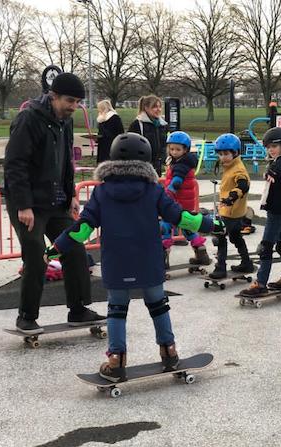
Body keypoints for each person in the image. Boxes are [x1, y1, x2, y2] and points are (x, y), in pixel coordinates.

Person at [44, 132, 224, 382]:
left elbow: (82, 228)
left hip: (117, 261)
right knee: (158, 306)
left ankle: (116, 360)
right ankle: (169, 351)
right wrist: (209, 224)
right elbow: (179, 216)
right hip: (148, 259)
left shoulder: (102, 193)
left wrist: (56, 247)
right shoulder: (153, 190)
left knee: (117, 309)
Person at [3, 72, 105, 335]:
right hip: (28, 204)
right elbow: (15, 165)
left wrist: (71, 194)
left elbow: (66, 162)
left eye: (77, 102)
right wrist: (23, 205)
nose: (73, 106)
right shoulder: (29, 119)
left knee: (74, 248)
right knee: (36, 256)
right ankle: (26, 316)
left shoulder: (65, 122)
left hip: (56, 200)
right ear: (53, 96)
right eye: (69, 101)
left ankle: (79, 308)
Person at [240, 128, 281, 296]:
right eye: (268, 147)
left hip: (277, 211)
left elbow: (277, 169)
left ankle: (260, 283)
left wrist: (270, 172)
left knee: (266, 247)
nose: (271, 150)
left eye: (274, 146)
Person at [160, 131, 211, 268]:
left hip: (175, 203)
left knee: (165, 227)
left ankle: (162, 259)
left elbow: (176, 182)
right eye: (171, 149)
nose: (174, 152)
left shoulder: (181, 165)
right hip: (185, 203)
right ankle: (201, 253)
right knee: (188, 227)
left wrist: (166, 196)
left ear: (185, 150)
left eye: (178, 149)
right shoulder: (183, 161)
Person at [208, 133, 254, 279]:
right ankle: (246, 262)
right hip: (233, 210)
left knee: (220, 236)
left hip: (231, 210)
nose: (223, 157)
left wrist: (231, 197)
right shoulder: (231, 166)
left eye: (226, 154)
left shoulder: (238, 169)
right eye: (220, 154)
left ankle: (220, 267)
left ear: (236, 152)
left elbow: (243, 185)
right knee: (235, 236)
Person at [128, 95, 167, 176]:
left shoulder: (163, 125)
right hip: (142, 165)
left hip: (158, 164)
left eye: (160, 107)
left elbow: (164, 144)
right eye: (155, 107)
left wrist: (164, 159)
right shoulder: (137, 124)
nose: (158, 109)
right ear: (146, 108)